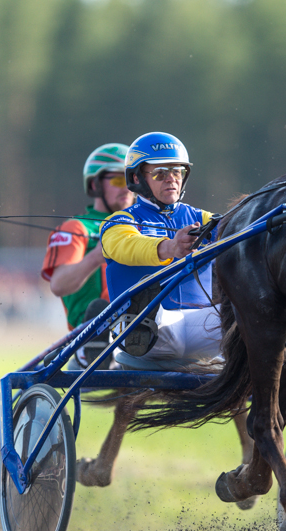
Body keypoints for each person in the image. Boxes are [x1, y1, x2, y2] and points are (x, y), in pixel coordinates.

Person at [99, 132, 220, 368]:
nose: (171, 179)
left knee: (250, 312)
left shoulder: (203, 218)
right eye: (160, 173)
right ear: (136, 177)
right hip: (150, 331)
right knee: (153, 315)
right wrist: (170, 247)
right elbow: (127, 246)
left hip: (199, 327)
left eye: (177, 172)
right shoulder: (117, 222)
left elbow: (238, 235)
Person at [41, 143, 135, 365]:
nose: (127, 189)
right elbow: (59, 285)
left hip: (138, 323)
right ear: (95, 184)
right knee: (102, 311)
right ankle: (92, 348)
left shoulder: (144, 226)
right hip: (92, 329)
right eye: (118, 180)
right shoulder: (78, 228)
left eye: (131, 181)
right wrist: (95, 256)